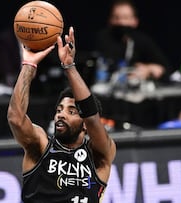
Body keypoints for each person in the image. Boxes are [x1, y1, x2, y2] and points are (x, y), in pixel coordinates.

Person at [7, 27, 116, 202]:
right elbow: (15, 118)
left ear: (85, 125)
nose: (61, 114)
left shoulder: (99, 156)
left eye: (71, 111)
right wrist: (29, 66)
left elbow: (92, 117)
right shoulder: (41, 146)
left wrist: (69, 66)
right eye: (59, 110)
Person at [93, 0, 171, 84]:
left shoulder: (142, 41)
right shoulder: (102, 38)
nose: (121, 22)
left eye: (125, 18)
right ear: (110, 20)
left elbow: (165, 69)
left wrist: (148, 69)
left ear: (135, 21)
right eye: (116, 18)